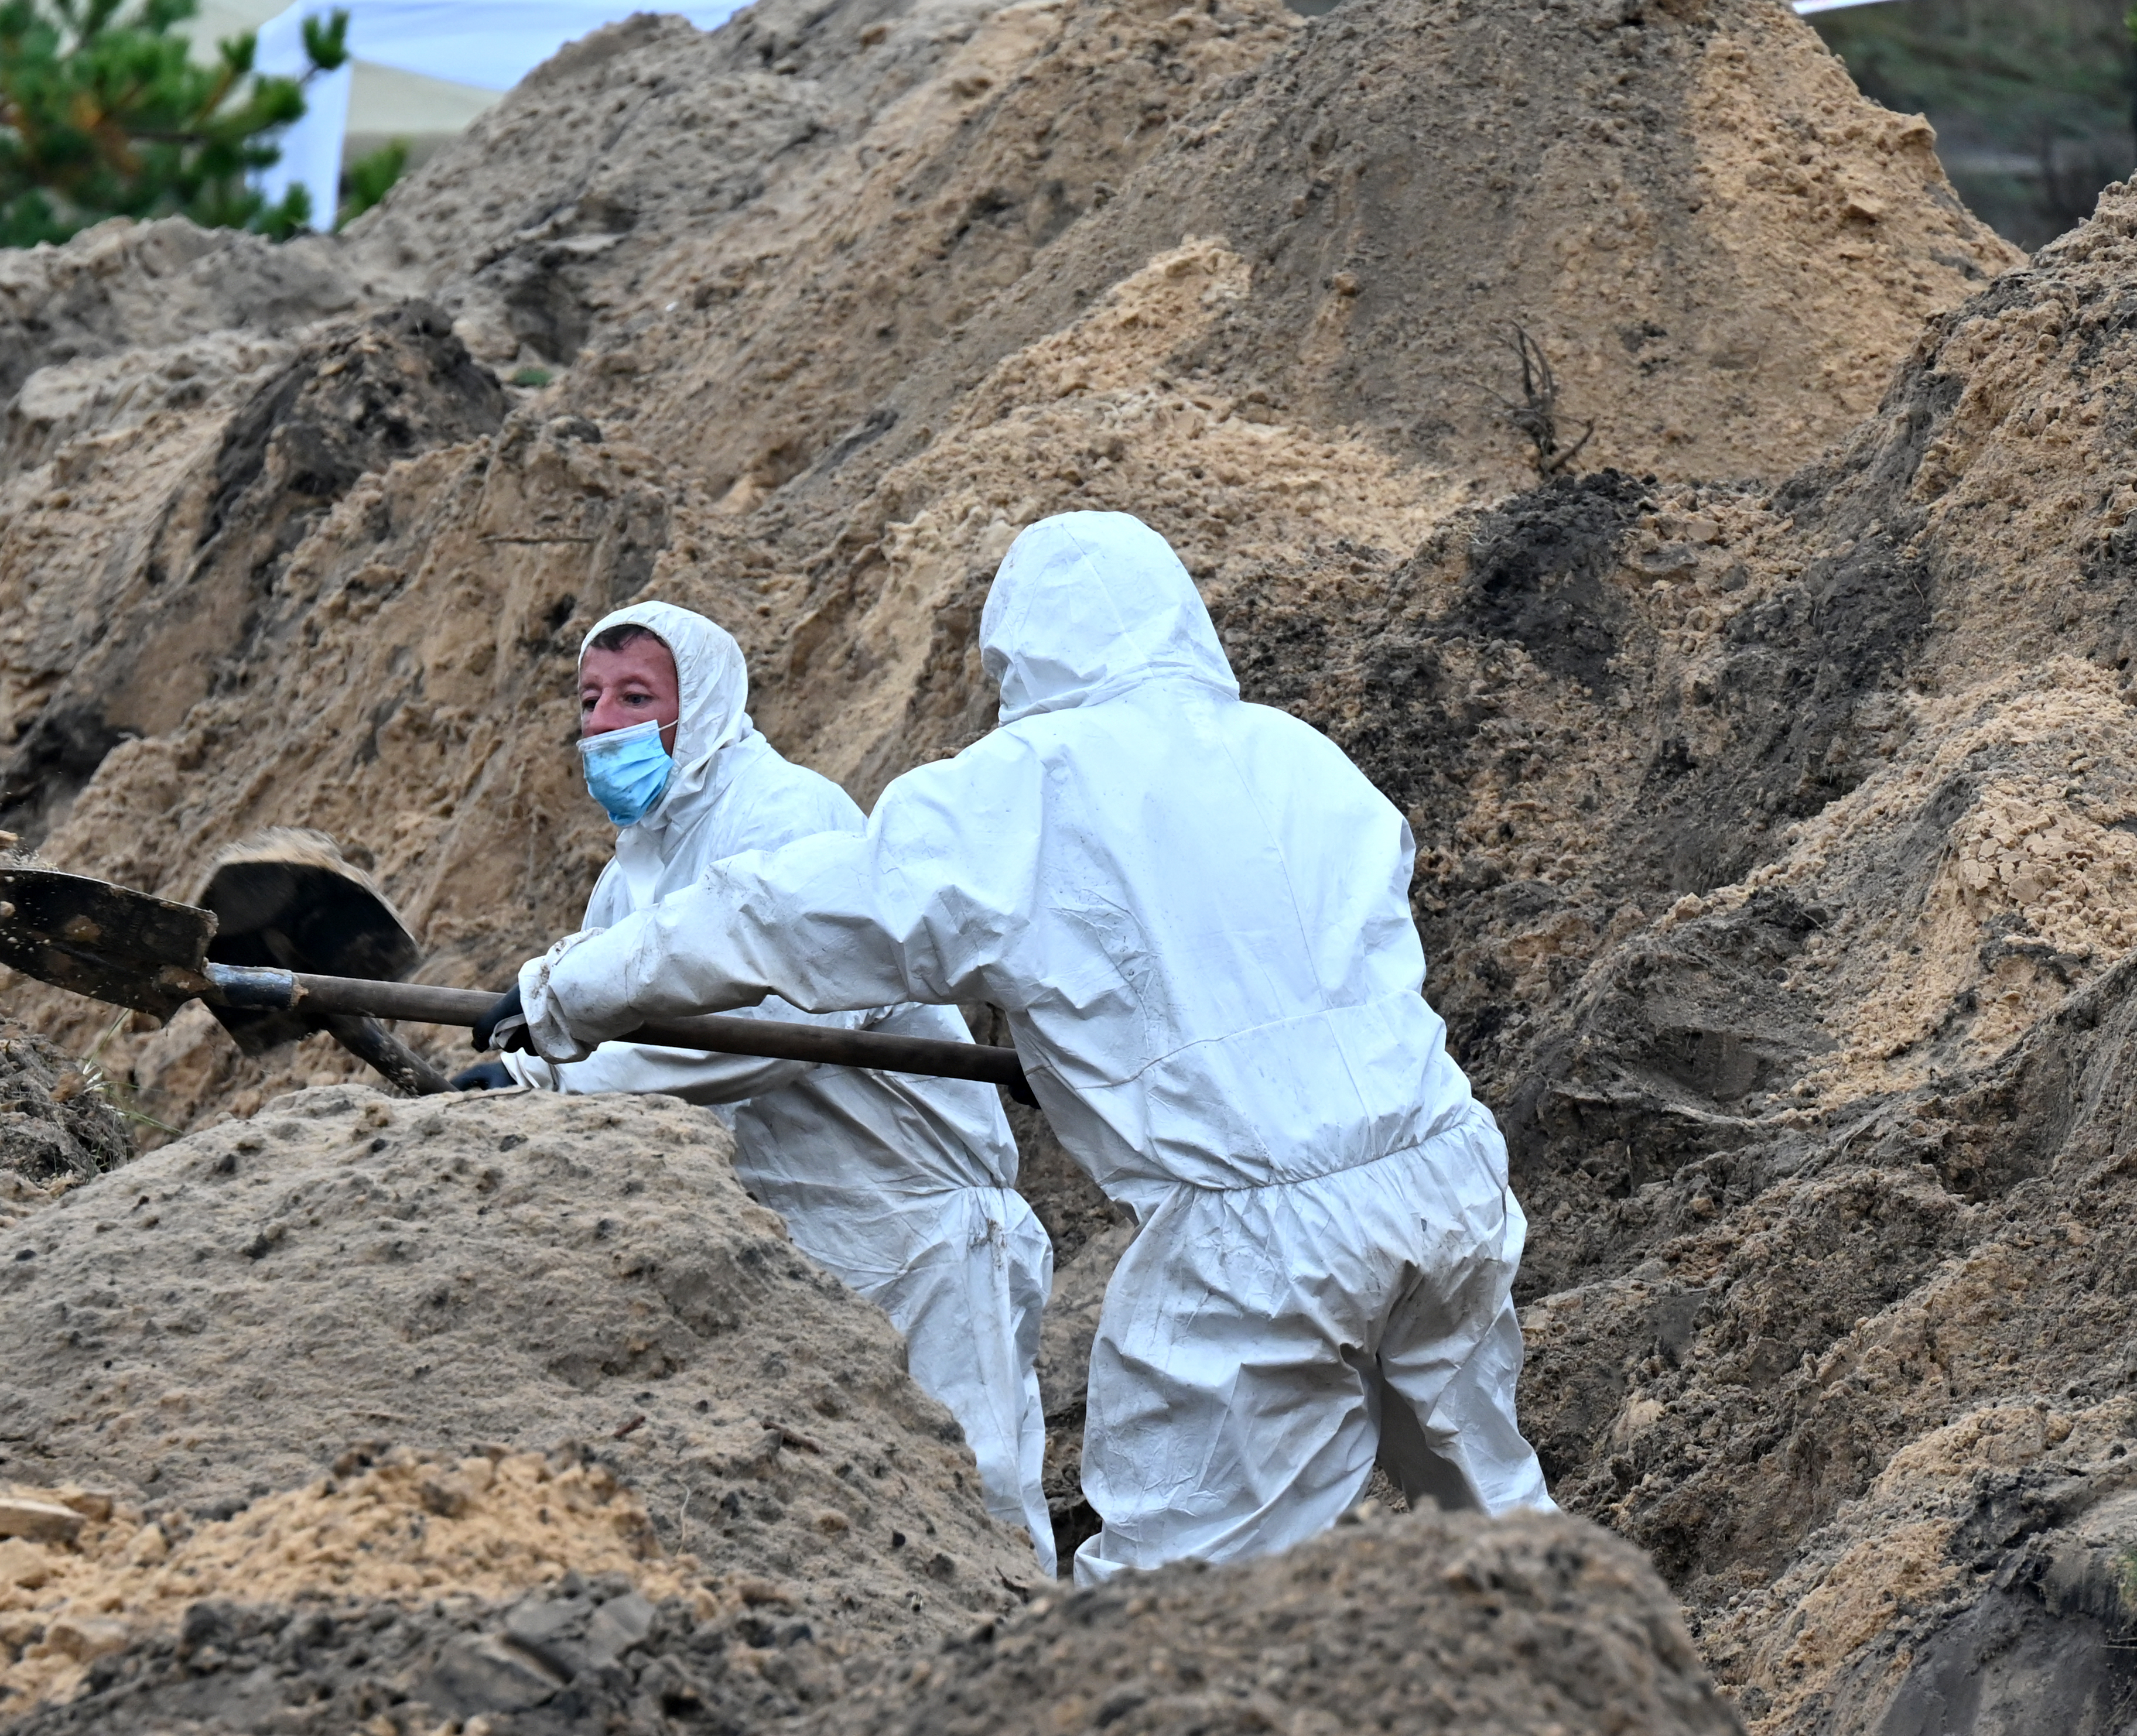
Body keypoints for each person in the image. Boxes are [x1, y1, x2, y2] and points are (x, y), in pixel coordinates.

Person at [501, 513, 1553, 1586]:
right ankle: (1599, 1674)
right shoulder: (1300, 754)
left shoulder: (1029, 786)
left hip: (1259, 1240)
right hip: (1447, 1182)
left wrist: (563, 993)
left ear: (1021, 648)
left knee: (1169, 1599)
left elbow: (780, 921)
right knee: (1499, 1529)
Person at [466, 601, 1059, 1570]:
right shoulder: (632, 874)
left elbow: (786, 1028)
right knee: (842, 1513)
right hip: (789, 1230)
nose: (604, 723)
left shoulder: (786, 813)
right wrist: (530, 1068)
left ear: (702, 705)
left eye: (636, 698)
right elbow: (615, 1023)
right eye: (589, 700)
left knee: (972, 1486)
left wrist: (556, 1082)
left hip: (910, 1224)